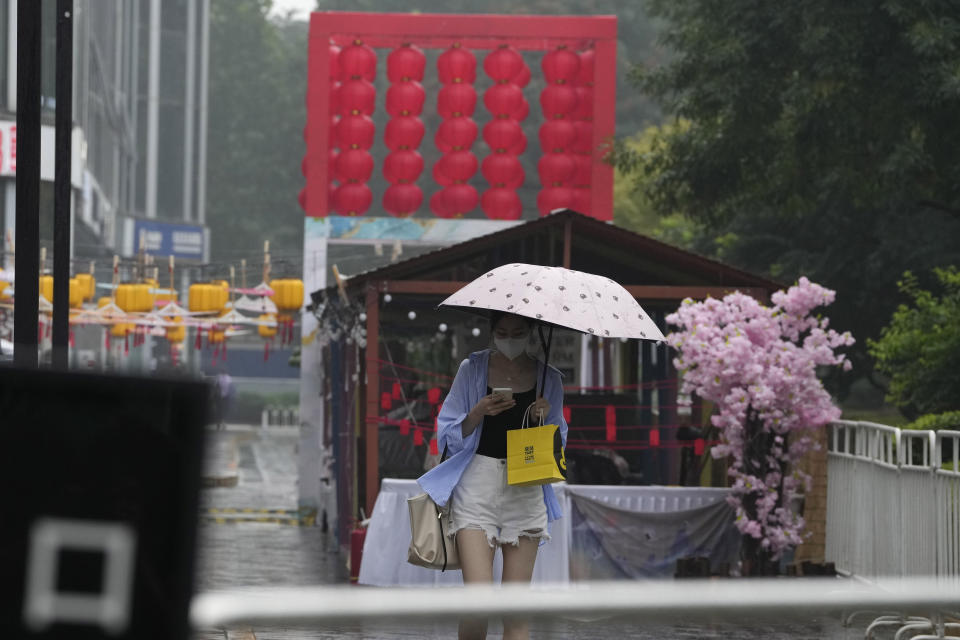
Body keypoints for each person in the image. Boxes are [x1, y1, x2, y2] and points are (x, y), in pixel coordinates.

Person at [417, 311, 568, 640]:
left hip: (526, 486)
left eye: (518, 332)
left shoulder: (550, 379)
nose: (509, 338)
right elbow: (447, 433)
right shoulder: (472, 369)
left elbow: (560, 443)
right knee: (478, 603)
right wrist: (478, 412)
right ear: (492, 332)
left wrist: (546, 420)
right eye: (502, 331)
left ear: (530, 333)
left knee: (515, 610)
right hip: (477, 483)